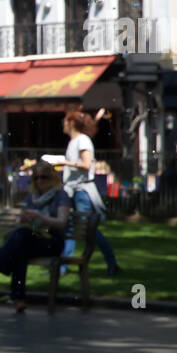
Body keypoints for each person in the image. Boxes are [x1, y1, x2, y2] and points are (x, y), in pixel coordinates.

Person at [0, 160, 70, 312]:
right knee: (20, 247)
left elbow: (61, 222)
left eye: (44, 177)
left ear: (52, 178)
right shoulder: (31, 198)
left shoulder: (61, 195)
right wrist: (21, 219)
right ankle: (18, 298)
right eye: (36, 178)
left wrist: (39, 216)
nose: (40, 181)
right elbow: (20, 222)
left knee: (21, 241)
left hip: (52, 241)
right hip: (31, 238)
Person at [58, 109, 119, 277]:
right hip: (74, 191)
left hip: (82, 192)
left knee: (90, 231)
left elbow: (86, 165)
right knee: (70, 229)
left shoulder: (82, 140)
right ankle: (62, 266)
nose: (63, 124)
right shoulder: (74, 141)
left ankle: (111, 263)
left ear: (71, 123)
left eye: (65, 121)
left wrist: (65, 162)